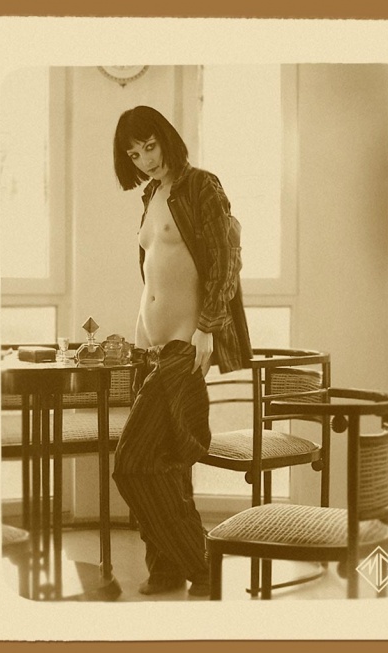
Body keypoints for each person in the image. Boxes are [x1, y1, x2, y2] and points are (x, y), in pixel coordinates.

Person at [112, 105, 252, 598]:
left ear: (166, 138)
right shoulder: (151, 195)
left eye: (150, 146)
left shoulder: (201, 186)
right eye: (134, 154)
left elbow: (226, 260)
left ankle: (203, 562)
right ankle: (168, 567)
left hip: (183, 346)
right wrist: (137, 341)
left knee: (132, 463)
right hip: (148, 348)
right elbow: (154, 274)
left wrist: (208, 328)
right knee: (167, 461)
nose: (145, 160)